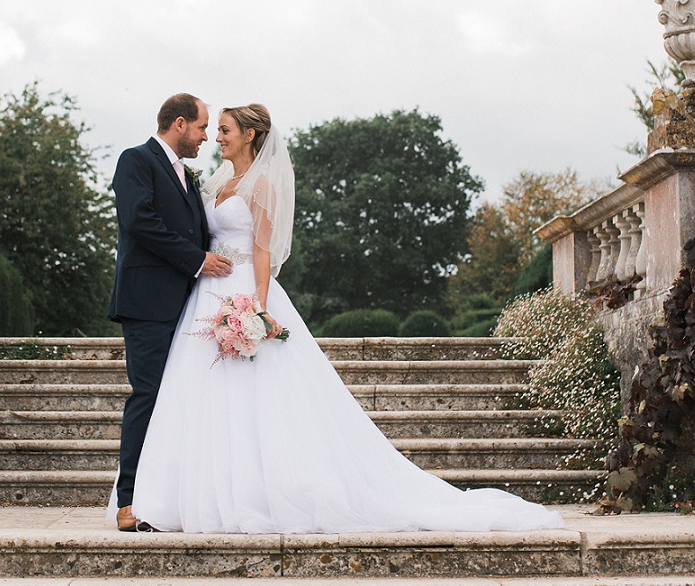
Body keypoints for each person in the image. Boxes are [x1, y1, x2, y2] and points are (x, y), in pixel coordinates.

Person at [129, 104, 562, 534]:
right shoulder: (215, 181)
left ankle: (256, 493)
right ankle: (191, 494)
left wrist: (256, 307)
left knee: (256, 397)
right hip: (206, 293)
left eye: (223, 130)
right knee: (200, 394)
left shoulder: (263, 185)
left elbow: (262, 251)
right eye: (213, 129)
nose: (216, 137)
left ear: (249, 136)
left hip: (242, 289)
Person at [107, 93, 233, 532]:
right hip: (147, 302)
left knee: (179, 401)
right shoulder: (135, 161)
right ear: (179, 124)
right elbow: (140, 221)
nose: (205, 138)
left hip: (187, 304)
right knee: (148, 396)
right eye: (201, 128)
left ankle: (169, 499)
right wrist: (198, 259)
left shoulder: (187, 175)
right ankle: (128, 501)